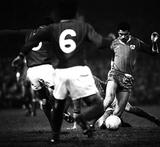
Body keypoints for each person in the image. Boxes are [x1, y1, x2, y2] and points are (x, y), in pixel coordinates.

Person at [16, 0, 114, 143]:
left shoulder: (52, 28)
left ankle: (55, 137)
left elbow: (32, 41)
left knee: (59, 105)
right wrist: (110, 39)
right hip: (79, 69)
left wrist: (20, 55)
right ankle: (81, 118)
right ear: (76, 13)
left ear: (58, 14)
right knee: (98, 105)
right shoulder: (83, 26)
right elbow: (99, 43)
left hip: (60, 72)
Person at [103, 22, 160, 124]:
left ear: (129, 33)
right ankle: (91, 122)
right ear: (118, 33)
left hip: (127, 78)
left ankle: (108, 122)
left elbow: (153, 53)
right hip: (115, 75)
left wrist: (154, 43)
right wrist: (111, 70)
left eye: (125, 34)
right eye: (121, 34)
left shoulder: (136, 42)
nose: (123, 36)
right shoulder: (114, 43)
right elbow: (113, 57)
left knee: (119, 112)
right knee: (109, 99)